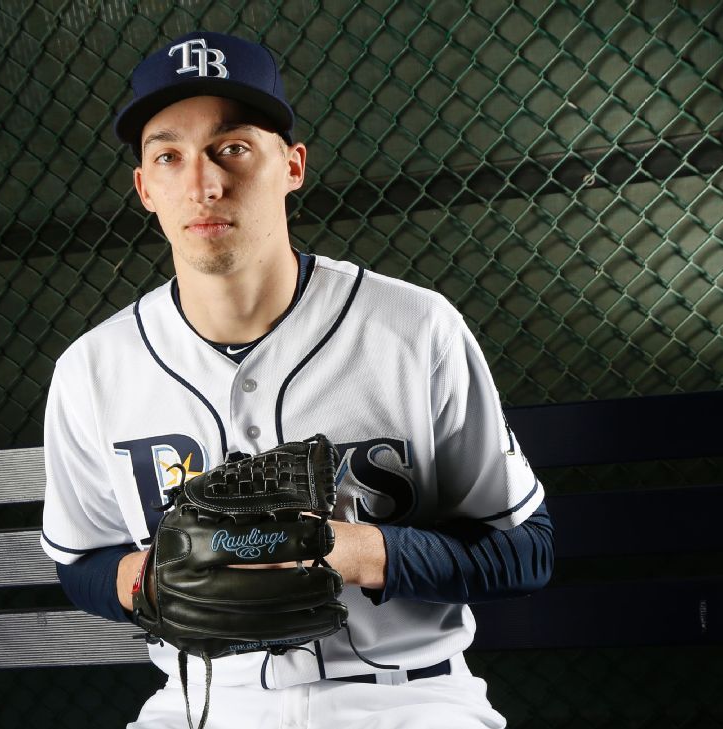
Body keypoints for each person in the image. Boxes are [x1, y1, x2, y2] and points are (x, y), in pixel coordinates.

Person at [40, 30, 554, 729]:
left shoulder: (413, 327)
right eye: (170, 155)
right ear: (144, 187)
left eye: (233, 148)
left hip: (407, 696)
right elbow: (80, 560)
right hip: (201, 705)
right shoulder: (92, 370)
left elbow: (524, 549)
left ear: (293, 165)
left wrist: (349, 550)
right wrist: (150, 580)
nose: (205, 183)